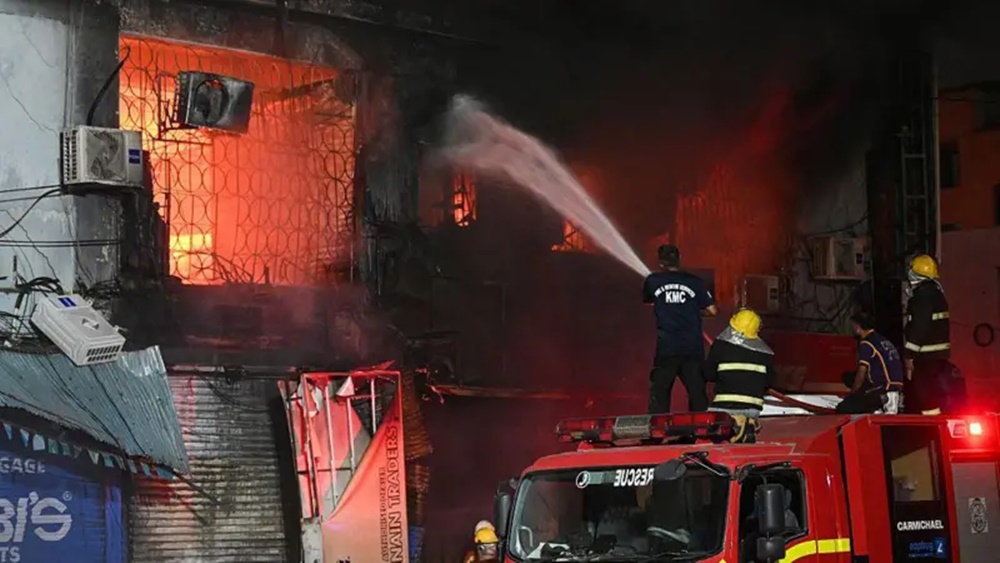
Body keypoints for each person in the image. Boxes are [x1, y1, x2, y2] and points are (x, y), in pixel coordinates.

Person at [642, 244, 717, 414]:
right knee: (697, 394)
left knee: (659, 395)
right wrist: (693, 311)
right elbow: (713, 310)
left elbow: (648, 302)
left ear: (660, 262)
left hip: (666, 348)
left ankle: (658, 427)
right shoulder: (695, 282)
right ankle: (700, 426)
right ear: (679, 259)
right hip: (692, 348)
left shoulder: (653, 281)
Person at [704, 309, 774, 443]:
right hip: (753, 409)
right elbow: (768, 382)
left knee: (709, 434)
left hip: (723, 407)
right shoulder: (765, 353)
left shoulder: (720, 345)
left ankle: (737, 424)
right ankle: (748, 423)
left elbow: (708, 374)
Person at [902, 254, 950, 415]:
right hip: (936, 356)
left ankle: (931, 426)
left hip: (925, 356)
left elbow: (919, 327)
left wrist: (909, 354)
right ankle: (934, 424)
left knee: (925, 395)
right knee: (932, 394)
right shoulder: (936, 293)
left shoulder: (922, 296)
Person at [836, 312, 905, 414]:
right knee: (848, 377)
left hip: (884, 389)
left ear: (858, 327)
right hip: (896, 387)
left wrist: (852, 395)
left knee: (843, 408)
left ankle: (876, 409)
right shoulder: (882, 340)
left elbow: (861, 373)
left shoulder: (866, 343)